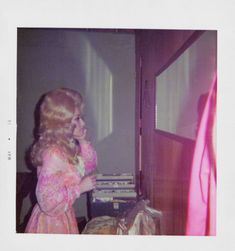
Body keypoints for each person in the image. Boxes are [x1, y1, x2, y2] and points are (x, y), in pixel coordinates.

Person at [25, 88, 97, 234]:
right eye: (77, 118)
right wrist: (80, 188)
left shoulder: (66, 146)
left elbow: (89, 166)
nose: (83, 122)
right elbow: (46, 202)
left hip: (64, 215)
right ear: (62, 123)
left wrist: (83, 141)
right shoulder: (53, 153)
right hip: (51, 223)